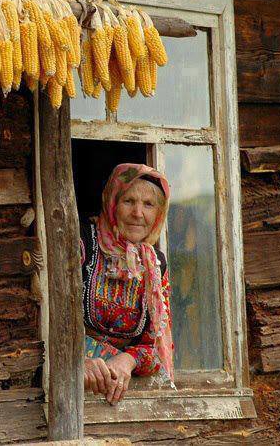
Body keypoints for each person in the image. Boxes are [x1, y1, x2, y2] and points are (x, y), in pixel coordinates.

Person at [80, 163, 175, 406]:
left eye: (148, 204)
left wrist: (127, 361)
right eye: (129, 201)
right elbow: (51, 323)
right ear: (112, 203)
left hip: (117, 387)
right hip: (74, 375)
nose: (138, 213)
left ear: (158, 214)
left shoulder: (155, 264)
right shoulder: (81, 243)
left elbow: (155, 346)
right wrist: (79, 360)